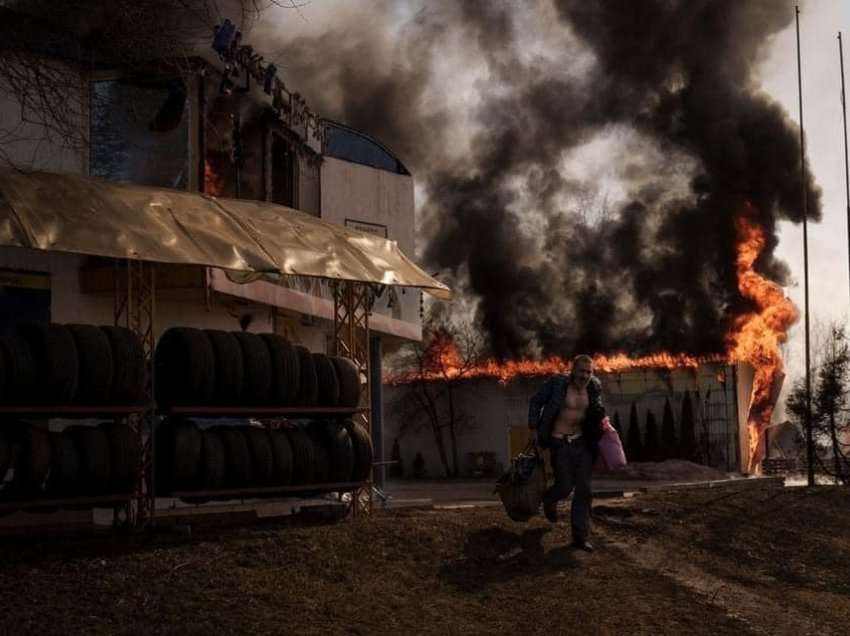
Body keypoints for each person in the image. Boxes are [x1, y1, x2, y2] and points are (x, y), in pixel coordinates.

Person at [527, 354, 605, 552]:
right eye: (581, 371)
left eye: (589, 372)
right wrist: (534, 428)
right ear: (573, 370)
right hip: (559, 442)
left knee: (584, 490)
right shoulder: (557, 383)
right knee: (564, 486)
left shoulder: (594, 387)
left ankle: (580, 538)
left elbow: (597, 410)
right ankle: (550, 499)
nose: (585, 375)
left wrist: (602, 421)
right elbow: (535, 401)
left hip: (582, 443)